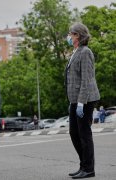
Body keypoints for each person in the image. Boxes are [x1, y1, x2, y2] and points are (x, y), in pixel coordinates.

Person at [65, 22, 100, 179]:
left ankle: (89, 169)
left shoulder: (85, 52)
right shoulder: (75, 51)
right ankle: (83, 165)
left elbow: (86, 79)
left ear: (78, 35)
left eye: (71, 34)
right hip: (75, 100)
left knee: (84, 134)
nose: (69, 36)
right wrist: (72, 101)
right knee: (74, 133)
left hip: (85, 100)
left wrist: (80, 102)